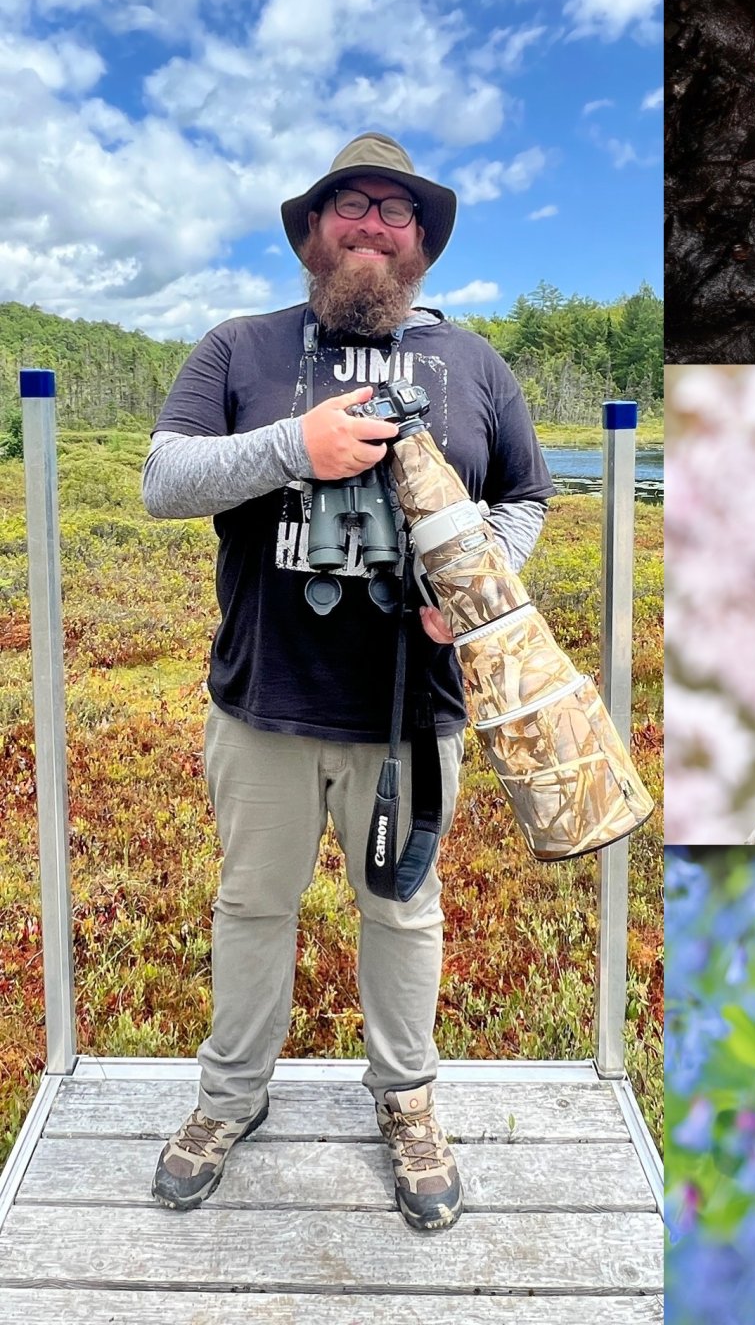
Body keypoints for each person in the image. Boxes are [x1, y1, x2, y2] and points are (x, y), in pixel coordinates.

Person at [141, 132, 554, 1231]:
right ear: (312, 230)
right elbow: (164, 478)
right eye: (351, 206)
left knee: (403, 912)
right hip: (263, 702)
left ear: (422, 242)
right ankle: (229, 1102)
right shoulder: (239, 348)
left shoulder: (475, 366)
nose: (373, 225)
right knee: (251, 907)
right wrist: (297, 447)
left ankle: (408, 1102)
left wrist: (474, 577)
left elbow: (525, 498)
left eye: (396, 211)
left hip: (415, 711)